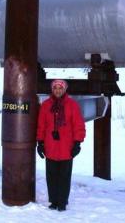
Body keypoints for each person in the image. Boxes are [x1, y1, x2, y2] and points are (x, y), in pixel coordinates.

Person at [36, 79, 86, 211]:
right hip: (50, 147)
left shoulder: (72, 105)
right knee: (51, 176)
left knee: (64, 176)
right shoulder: (45, 105)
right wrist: (40, 143)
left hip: (66, 147)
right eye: (55, 88)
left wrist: (77, 143)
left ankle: (63, 202)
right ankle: (53, 201)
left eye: (60, 88)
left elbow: (79, 125)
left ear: (64, 89)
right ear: (52, 90)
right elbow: (41, 125)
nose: (58, 90)